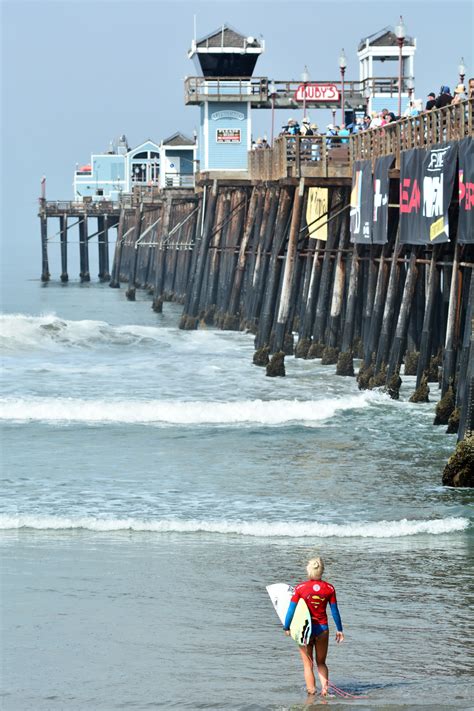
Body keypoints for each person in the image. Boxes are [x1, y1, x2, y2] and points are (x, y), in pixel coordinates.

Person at [283, 557, 344, 697]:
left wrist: (286, 627)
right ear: (322, 570)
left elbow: (291, 610)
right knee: (321, 662)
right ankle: (325, 691)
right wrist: (340, 629)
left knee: (307, 664)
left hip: (305, 631)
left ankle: (311, 693)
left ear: (308, 570)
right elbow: (335, 610)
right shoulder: (329, 588)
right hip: (322, 630)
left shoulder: (300, 588)